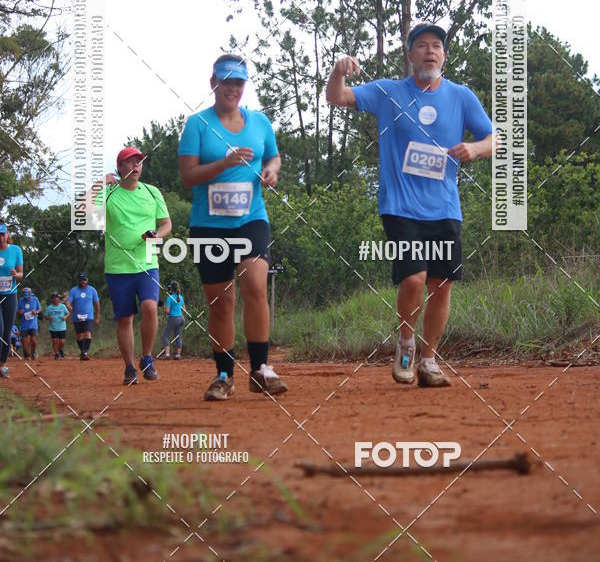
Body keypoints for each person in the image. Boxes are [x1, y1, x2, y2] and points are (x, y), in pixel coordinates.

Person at [326, 22, 494, 388]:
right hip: (400, 206)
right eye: (422, 45)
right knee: (415, 278)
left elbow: (494, 139)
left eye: (436, 46)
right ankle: (405, 342)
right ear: (410, 55)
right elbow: (337, 97)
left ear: (444, 55)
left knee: (441, 285)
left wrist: (476, 148)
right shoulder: (388, 92)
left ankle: (428, 360)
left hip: (445, 207)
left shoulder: (461, 97)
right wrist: (338, 71)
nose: (430, 51)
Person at [178, 53, 287, 401]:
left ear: (244, 86)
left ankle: (261, 369)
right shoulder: (197, 124)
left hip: (251, 218)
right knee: (221, 302)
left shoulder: (260, 123)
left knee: (255, 284)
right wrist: (224, 164)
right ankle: (224, 375)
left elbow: (274, 156)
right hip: (208, 225)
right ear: (214, 84)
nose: (232, 88)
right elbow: (187, 176)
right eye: (226, 82)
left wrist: (271, 171)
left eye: (238, 83)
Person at [90, 147, 171, 385]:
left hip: (147, 263)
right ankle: (129, 367)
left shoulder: (152, 192)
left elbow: (166, 223)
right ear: (119, 168)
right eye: (130, 162)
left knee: (150, 307)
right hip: (118, 267)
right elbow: (83, 213)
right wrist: (99, 183)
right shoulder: (108, 193)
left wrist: (157, 236)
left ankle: (147, 358)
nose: (136, 166)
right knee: (125, 319)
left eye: (139, 162)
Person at [0, 221, 24, 377]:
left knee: (7, 332)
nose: (0, 238)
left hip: (10, 295)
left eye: (2, 234)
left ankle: (2, 365)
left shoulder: (15, 250)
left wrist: (16, 274)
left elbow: (21, 274)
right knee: (0, 329)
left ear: (7, 235)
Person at [66, 274, 99, 360]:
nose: (82, 282)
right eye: (81, 280)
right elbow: (68, 302)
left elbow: (97, 304)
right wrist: (68, 306)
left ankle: (85, 352)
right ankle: (83, 352)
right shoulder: (73, 290)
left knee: (87, 333)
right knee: (79, 336)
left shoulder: (92, 290)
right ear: (78, 281)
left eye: (84, 280)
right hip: (77, 316)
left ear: (87, 280)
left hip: (89, 316)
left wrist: (97, 316)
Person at [161, 281, 186, 359]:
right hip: (181, 318)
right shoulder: (181, 297)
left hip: (173, 318)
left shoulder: (169, 298)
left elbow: (167, 311)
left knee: (164, 336)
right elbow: (184, 310)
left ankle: (167, 354)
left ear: (171, 289)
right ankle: (178, 355)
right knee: (178, 337)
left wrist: (165, 311)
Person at [17, 286, 42, 360]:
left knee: (34, 341)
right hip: (24, 324)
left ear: (30, 294)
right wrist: (20, 312)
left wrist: (36, 312)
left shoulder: (35, 299)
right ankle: (27, 355)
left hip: (33, 324)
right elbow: (17, 312)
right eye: (25, 296)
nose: (26, 298)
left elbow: (40, 309)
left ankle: (33, 353)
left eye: (27, 296)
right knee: (25, 341)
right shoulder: (20, 300)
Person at [44, 293, 70, 359]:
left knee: (62, 342)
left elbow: (68, 313)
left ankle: (60, 349)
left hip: (62, 327)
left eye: (56, 298)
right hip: (53, 327)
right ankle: (56, 354)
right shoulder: (49, 308)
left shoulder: (63, 306)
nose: (55, 299)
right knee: (54, 341)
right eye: (54, 298)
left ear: (58, 299)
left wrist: (65, 317)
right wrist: (49, 318)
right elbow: (45, 316)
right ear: (52, 299)